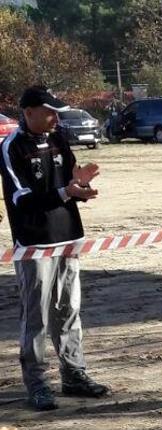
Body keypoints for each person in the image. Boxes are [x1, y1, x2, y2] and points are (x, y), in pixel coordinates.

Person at [0, 86, 109, 410]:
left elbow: (70, 182)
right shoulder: (12, 147)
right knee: (36, 318)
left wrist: (82, 187)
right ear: (28, 112)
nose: (55, 117)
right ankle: (36, 384)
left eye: (56, 112)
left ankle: (74, 374)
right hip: (34, 245)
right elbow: (23, 200)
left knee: (68, 311)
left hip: (69, 238)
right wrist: (66, 191)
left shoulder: (60, 138)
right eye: (49, 112)